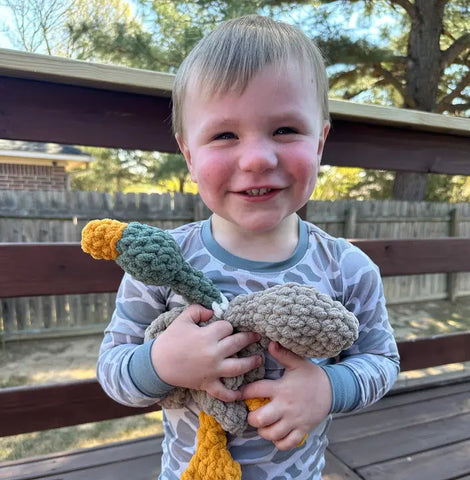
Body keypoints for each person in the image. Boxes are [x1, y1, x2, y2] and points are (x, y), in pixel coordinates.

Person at [97, 14, 400, 480]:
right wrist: (161, 363)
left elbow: (381, 361)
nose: (258, 157)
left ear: (319, 142)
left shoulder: (346, 267)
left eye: (285, 130)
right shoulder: (161, 264)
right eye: (224, 135)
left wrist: (329, 388)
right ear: (189, 156)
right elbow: (113, 369)